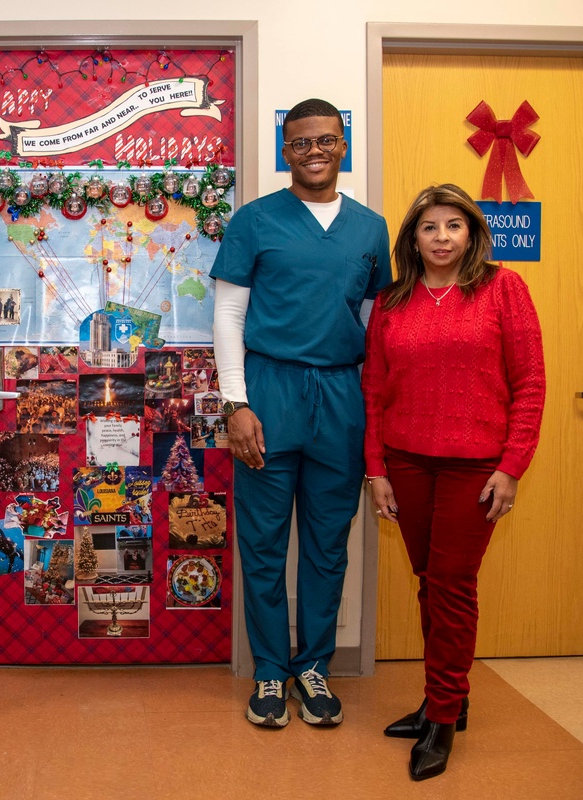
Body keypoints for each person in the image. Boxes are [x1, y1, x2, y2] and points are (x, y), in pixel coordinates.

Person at [211, 99, 392, 729]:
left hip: (341, 397)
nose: (313, 151)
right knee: (262, 542)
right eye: (300, 143)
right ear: (284, 150)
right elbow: (230, 316)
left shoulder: (371, 229)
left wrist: (376, 409)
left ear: (343, 143)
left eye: (325, 140)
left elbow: (374, 323)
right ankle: (268, 671)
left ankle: (312, 667)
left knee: (326, 544)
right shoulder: (254, 222)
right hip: (268, 392)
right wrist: (236, 402)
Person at [362, 184, 545, 780]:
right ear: (412, 238)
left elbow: (530, 384)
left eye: (453, 226)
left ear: (472, 233)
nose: (441, 238)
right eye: (429, 228)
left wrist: (512, 465)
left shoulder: (502, 289)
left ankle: (441, 716)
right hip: (408, 463)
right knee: (429, 582)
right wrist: (377, 469)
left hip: (475, 467)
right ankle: (450, 698)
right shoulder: (392, 302)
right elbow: (375, 393)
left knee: (451, 585)